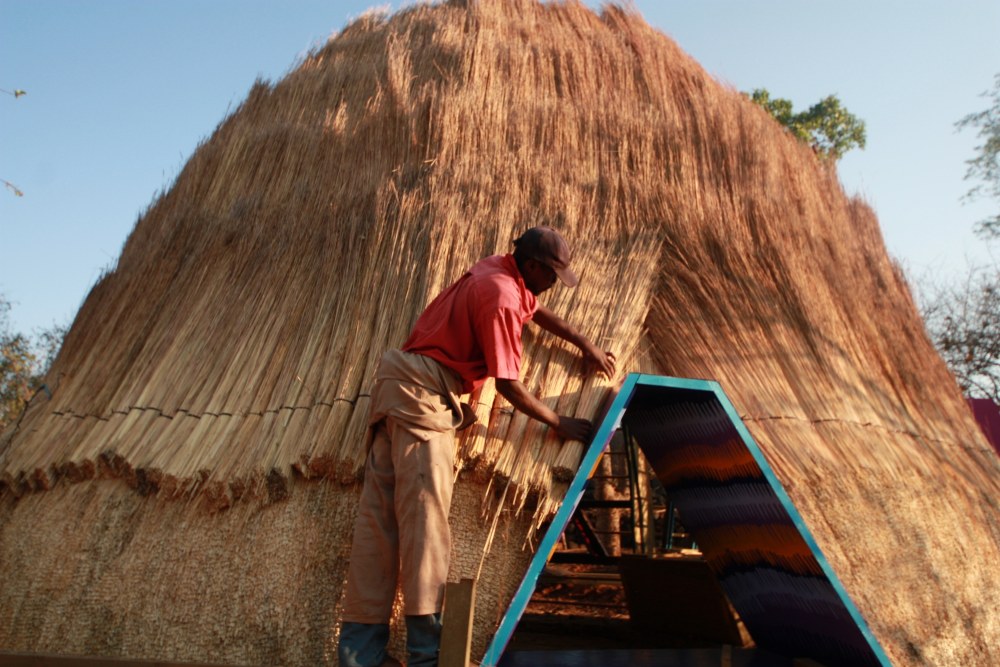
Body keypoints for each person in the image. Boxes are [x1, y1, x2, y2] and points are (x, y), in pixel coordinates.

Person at [337, 226, 615, 667]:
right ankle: (427, 656)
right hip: (422, 401)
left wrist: (584, 342)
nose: (553, 286)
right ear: (531, 266)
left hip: (394, 390)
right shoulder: (501, 297)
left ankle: (359, 656)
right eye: (551, 275)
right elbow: (508, 384)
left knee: (378, 525)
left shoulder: (497, 271)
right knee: (425, 527)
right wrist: (558, 421)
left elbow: (535, 311)